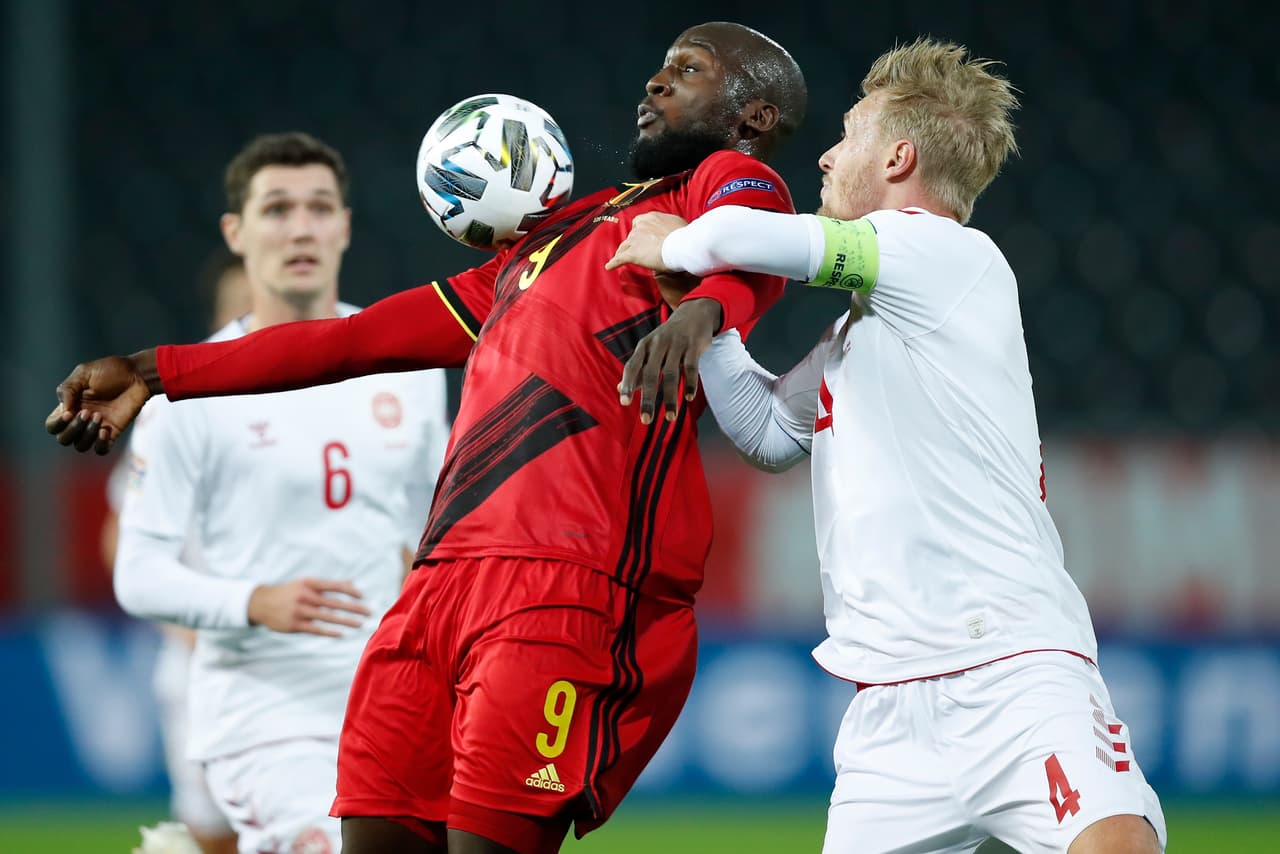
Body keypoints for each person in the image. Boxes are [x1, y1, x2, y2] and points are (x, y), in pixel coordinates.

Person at [44, 22, 807, 854]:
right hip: (437, 589)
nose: (654, 85)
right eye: (659, 68)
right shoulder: (546, 247)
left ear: (753, 117)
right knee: (372, 834)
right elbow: (351, 340)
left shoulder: (718, 190)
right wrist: (158, 372)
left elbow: (756, 233)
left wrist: (703, 309)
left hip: (565, 585)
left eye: (688, 71)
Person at [607, 37, 1166, 853]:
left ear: (900, 155)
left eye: (850, 134)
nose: (828, 154)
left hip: (1009, 667)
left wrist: (675, 240)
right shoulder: (862, 330)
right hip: (889, 710)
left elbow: (757, 242)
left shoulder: (947, 254)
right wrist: (706, 323)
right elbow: (767, 433)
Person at [110, 132, 452, 854]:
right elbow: (137, 575)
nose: (301, 227)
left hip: (397, 701)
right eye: (277, 209)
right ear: (236, 232)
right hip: (265, 709)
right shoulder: (183, 394)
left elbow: (436, 530)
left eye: (320, 207)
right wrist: (252, 601)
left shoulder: (413, 367)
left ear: (346, 226)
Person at [103, 250, 250, 854]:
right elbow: (118, 534)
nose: (250, 318)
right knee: (212, 833)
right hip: (202, 664)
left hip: (314, 656)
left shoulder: (339, 400)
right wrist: (184, 618)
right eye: (237, 308)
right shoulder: (173, 409)